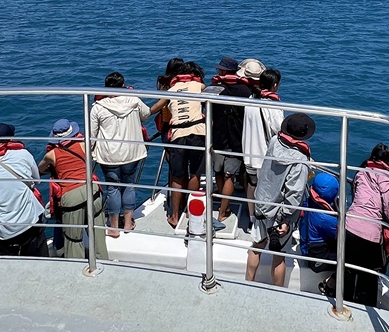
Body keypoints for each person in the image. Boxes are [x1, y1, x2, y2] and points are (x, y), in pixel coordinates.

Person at [246, 113, 315, 287]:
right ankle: (278, 292)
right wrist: (285, 218)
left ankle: (248, 283)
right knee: (279, 255)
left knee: (257, 245)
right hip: (279, 213)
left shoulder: (274, 142)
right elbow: (294, 193)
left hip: (262, 204)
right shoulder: (300, 161)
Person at [342, 143, 389, 307]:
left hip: (348, 226)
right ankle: (365, 314)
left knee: (347, 272)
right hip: (370, 234)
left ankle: (342, 306)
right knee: (368, 278)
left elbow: (356, 197)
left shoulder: (361, 172)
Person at [91, 71, 151, 237]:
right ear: (123, 85)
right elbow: (146, 115)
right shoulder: (134, 100)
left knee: (113, 189)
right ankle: (128, 223)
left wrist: (89, 152)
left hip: (109, 155)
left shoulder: (98, 107)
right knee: (129, 185)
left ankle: (114, 227)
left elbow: (92, 133)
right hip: (131, 153)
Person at [40, 119, 108, 260]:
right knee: (98, 235)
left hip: (71, 197)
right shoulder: (84, 144)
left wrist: (56, 169)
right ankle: (103, 263)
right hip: (92, 190)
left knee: (73, 239)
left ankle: (76, 269)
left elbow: (39, 170)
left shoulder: (51, 155)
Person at [150, 61, 206, 228]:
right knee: (195, 173)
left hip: (177, 135)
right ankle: (190, 211)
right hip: (197, 133)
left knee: (176, 176)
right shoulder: (199, 86)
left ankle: (174, 215)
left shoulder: (170, 90)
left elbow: (154, 109)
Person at [0, 123, 48, 257]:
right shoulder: (23, 154)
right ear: (10, 139)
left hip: (5, 228)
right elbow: (37, 179)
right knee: (38, 254)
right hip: (30, 220)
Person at [211, 57, 261, 223]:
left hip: (217, 136)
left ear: (223, 71)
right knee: (229, 176)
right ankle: (223, 211)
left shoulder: (214, 88)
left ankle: (221, 202)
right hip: (236, 138)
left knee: (218, 171)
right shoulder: (245, 91)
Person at [242, 67, 282, 219]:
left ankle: (251, 215)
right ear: (275, 85)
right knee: (266, 187)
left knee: (252, 184)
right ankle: (263, 217)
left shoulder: (251, 99)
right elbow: (279, 127)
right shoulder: (272, 104)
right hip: (263, 153)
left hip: (248, 151)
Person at [298, 171, 339, 273]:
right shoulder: (324, 218)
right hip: (318, 257)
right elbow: (341, 234)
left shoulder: (309, 202)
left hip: (306, 247)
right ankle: (330, 284)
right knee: (354, 259)